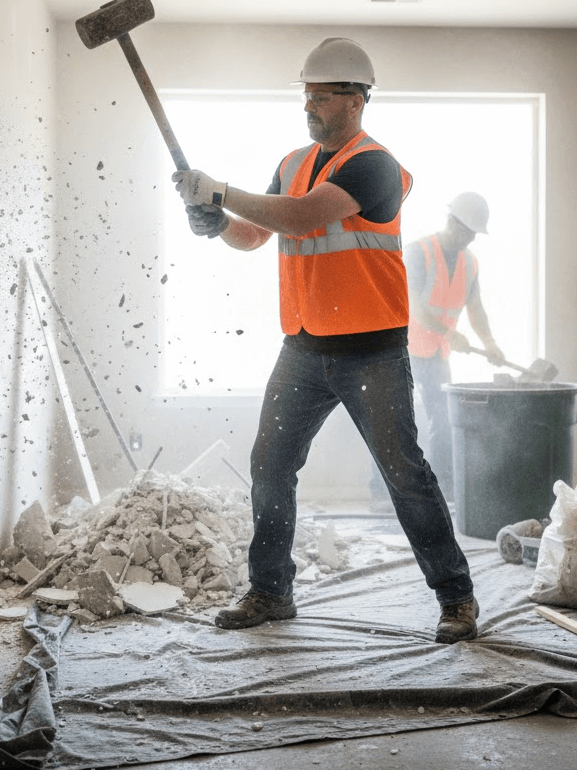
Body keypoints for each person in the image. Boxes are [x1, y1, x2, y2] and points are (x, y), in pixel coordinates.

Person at [173, 38, 478, 644]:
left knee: (404, 472)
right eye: (305, 92)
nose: (308, 102)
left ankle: (456, 598)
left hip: (372, 348)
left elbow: (302, 217)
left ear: (357, 99)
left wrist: (218, 190)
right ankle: (271, 591)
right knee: (270, 463)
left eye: (322, 93)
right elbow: (257, 236)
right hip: (306, 347)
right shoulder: (292, 162)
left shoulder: (375, 165)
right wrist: (217, 224)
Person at [370, 192, 506, 504]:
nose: (469, 240)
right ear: (450, 221)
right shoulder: (420, 252)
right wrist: (449, 333)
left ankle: (441, 486)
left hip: (435, 354)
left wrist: (490, 343)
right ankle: (380, 493)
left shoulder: (470, 263)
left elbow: (476, 309)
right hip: (401, 350)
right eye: (465, 231)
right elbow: (414, 304)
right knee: (392, 420)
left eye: (473, 234)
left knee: (444, 421)